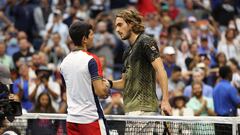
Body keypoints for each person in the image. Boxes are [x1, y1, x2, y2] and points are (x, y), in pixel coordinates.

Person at [110, 9, 171, 115]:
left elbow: (160, 70)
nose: (117, 29)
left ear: (131, 24)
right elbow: (124, 83)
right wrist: (109, 83)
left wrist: (165, 100)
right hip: (130, 109)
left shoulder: (145, 41)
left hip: (144, 109)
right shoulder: (127, 51)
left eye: (120, 25)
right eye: (116, 26)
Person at [60, 21, 109, 135]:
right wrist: (107, 89)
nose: (94, 37)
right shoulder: (92, 59)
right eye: (91, 34)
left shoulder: (64, 63)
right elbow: (100, 92)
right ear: (84, 39)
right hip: (91, 119)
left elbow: (68, 90)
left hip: (71, 120)